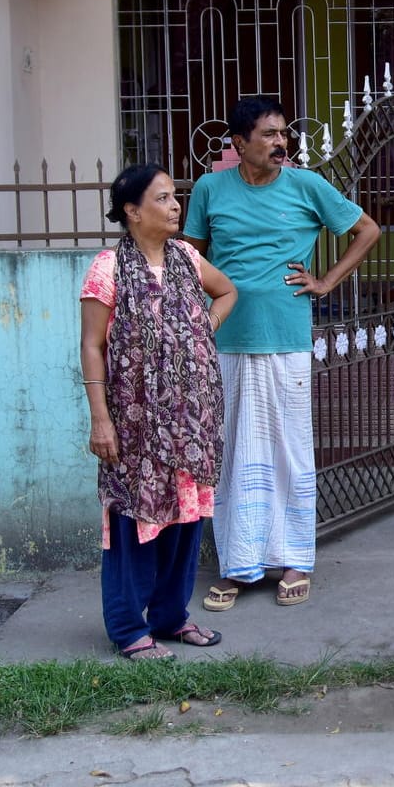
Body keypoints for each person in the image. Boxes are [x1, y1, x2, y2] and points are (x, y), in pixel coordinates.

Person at [184, 96, 381, 610]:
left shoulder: (306, 186)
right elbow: (191, 257)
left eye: (284, 134)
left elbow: (367, 231)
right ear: (239, 144)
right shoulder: (210, 188)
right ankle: (238, 564)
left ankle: (296, 558)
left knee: (290, 449)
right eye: (269, 135)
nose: (281, 143)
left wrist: (327, 281)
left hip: (287, 337)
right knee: (232, 452)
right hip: (226, 338)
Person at [81, 164, 237, 659]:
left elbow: (229, 290)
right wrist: (100, 419)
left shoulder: (188, 258)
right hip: (135, 423)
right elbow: (90, 346)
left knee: (186, 519)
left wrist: (201, 329)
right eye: (164, 199)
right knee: (133, 522)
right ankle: (129, 628)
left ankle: (171, 617)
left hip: (192, 420)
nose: (175, 207)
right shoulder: (108, 268)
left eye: (175, 198)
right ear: (132, 211)